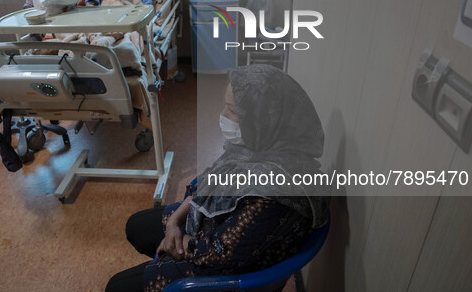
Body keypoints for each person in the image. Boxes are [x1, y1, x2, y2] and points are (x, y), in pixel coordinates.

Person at [106, 64, 330, 292]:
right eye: (226, 107)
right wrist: (174, 222)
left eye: (233, 111)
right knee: (137, 226)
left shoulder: (273, 193)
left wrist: (177, 243)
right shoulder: (259, 145)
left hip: (227, 269)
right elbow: (209, 181)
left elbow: (219, 255)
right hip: (218, 226)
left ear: (262, 118)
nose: (223, 116)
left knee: (117, 287)